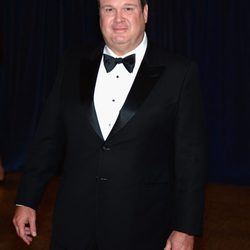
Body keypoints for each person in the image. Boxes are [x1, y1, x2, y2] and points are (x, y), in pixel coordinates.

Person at [13, 0, 207, 249]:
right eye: (109, 9)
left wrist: (185, 228)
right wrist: (27, 199)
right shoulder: (72, 62)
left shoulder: (180, 72)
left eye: (128, 8)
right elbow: (48, 137)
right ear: (99, 15)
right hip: (73, 225)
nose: (118, 19)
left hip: (143, 226)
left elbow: (191, 159)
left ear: (145, 13)